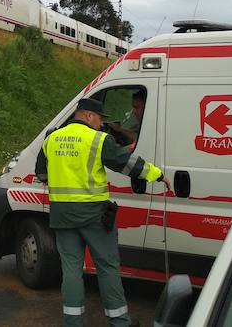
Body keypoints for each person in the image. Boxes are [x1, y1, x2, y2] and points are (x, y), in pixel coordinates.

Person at [35, 98, 169, 327]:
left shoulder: (51, 139)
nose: (101, 124)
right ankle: (119, 322)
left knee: (71, 269)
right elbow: (126, 163)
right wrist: (157, 174)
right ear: (88, 115)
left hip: (61, 215)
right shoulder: (97, 140)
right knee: (107, 266)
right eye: (99, 119)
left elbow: (42, 175)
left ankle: (73, 322)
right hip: (93, 214)